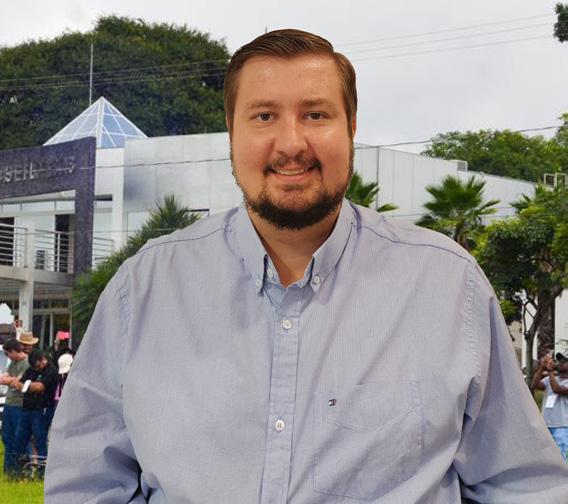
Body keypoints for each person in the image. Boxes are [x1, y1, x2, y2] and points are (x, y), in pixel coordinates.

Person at [45, 29, 568, 502]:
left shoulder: (448, 286)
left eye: (316, 115)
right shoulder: (142, 291)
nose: (292, 144)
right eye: (264, 116)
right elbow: (87, 485)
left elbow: (522, 484)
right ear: (231, 131)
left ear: (351, 128)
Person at [12, 349, 57, 478]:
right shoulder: (31, 370)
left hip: (41, 410)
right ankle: (18, 471)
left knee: (40, 441)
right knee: (19, 440)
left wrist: (26, 386)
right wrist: (27, 385)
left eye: (38, 365)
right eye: (35, 367)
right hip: (26, 410)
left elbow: (40, 387)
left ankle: (43, 473)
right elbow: (18, 383)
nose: (38, 368)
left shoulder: (51, 370)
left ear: (42, 359)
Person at [0, 339, 28, 478]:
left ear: (13, 351)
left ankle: (19, 469)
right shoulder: (13, 363)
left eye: (7, 354)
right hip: (9, 404)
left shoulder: (27, 363)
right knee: (6, 436)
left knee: (18, 437)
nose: (7, 357)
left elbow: (20, 383)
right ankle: (9, 468)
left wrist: (11, 380)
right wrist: (13, 380)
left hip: (20, 405)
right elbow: (3, 379)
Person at [532, 353, 568, 460]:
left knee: (559, 457)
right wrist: (541, 368)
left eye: (564, 361)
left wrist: (550, 371)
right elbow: (534, 385)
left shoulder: (552, 378)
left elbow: (557, 389)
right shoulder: (550, 379)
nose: (560, 363)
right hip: (546, 424)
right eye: (560, 361)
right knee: (544, 457)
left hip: (562, 426)